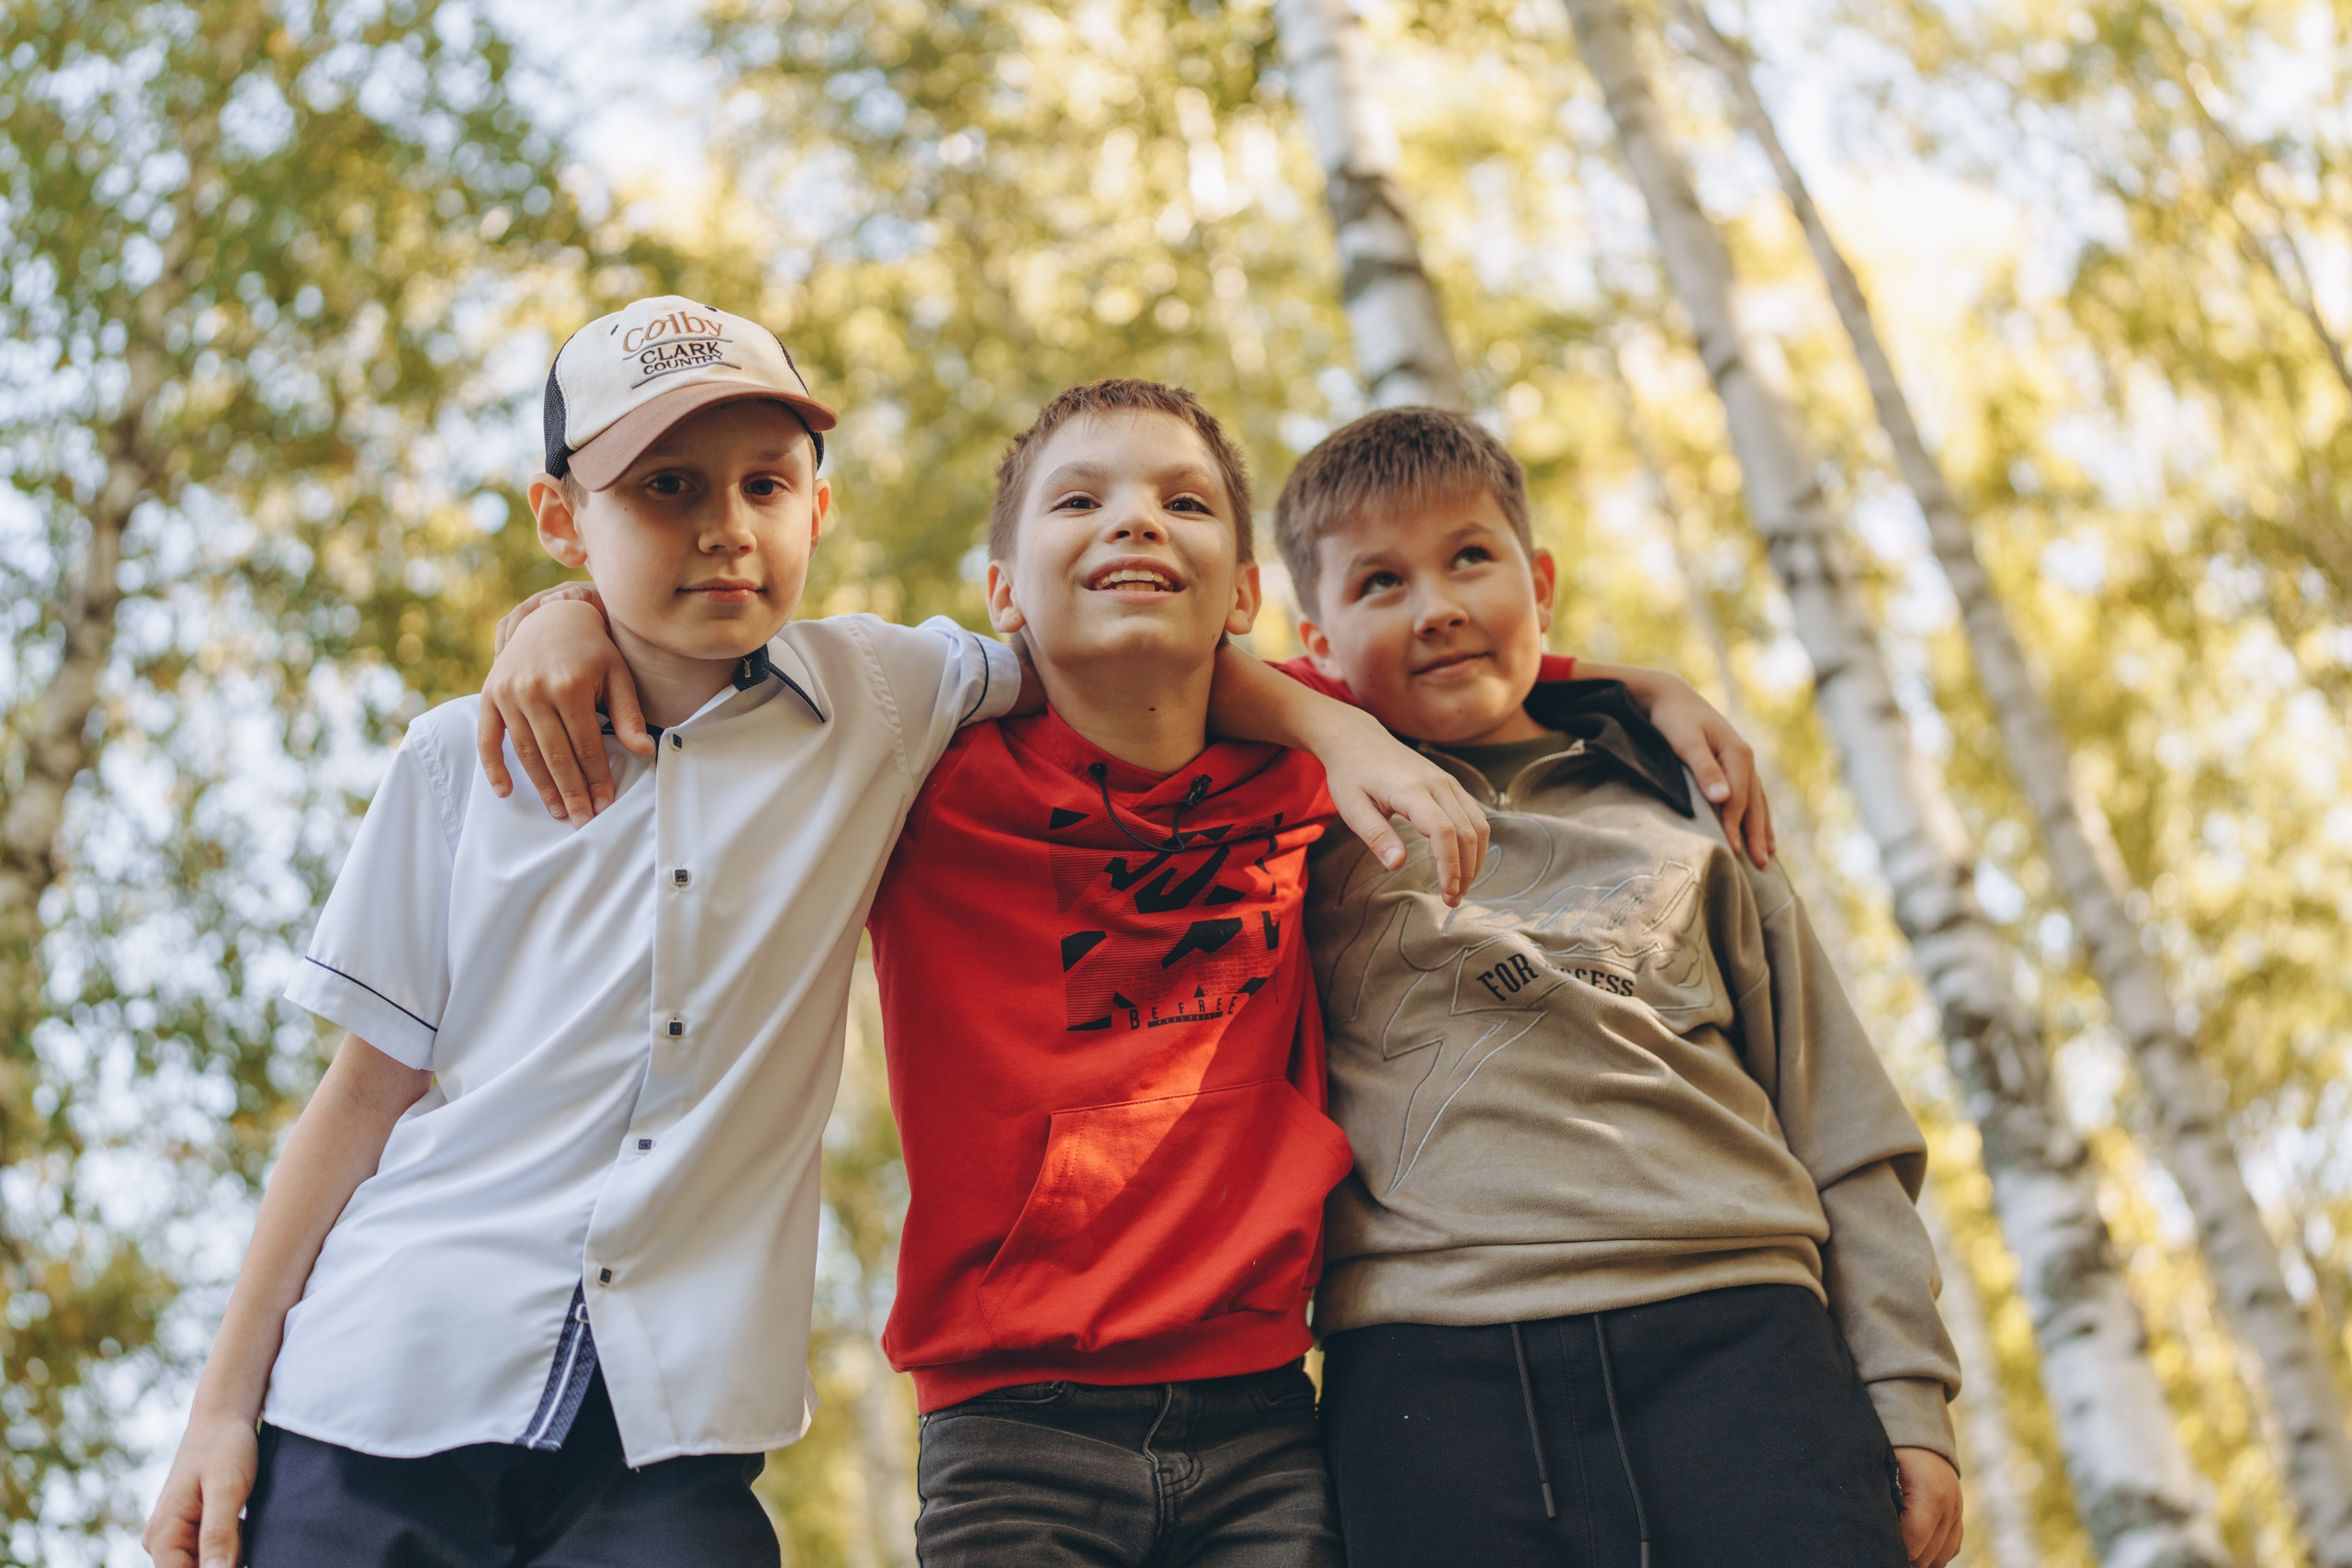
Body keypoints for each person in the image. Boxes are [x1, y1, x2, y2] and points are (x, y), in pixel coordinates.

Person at [140, 303, 1467, 1568]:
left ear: (817, 508)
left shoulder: (880, 700)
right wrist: (220, 1404)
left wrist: (1342, 724)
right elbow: (359, 1099)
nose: (724, 526)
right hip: (382, 1381)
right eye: (666, 486)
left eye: (763, 485)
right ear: (561, 520)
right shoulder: (453, 760)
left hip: (671, 1434)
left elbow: (1132, 639)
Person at [477, 380, 1768, 1566]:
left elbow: (1431, 651)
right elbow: (714, 651)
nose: (1135, 523)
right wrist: (563, 605)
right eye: (1082, 499)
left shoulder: (1320, 766)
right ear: (1003, 590)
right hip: (1009, 1424)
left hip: (1269, 1408)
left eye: (1183, 500)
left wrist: (1624, 684)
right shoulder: (919, 771)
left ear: (1248, 594)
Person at [1272, 406, 1966, 1568]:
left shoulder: (1684, 805)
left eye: (1470, 559)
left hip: (1742, 1341)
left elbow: (1838, 1114)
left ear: (1538, 579)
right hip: (1433, 1378)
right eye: (1379, 582)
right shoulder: (1299, 817)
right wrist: (1319, 724)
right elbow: (1150, 667)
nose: (1436, 604)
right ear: (1318, 641)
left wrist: (1908, 1389)